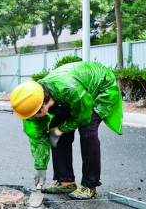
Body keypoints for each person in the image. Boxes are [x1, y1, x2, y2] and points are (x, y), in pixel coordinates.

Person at [9, 61, 123, 200]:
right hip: (72, 94)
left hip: (101, 87)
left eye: (34, 115)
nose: (32, 119)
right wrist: (40, 167)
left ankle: (89, 185)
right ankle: (66, 181)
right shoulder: (32, 103)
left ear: (43, 106)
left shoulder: (71, 90)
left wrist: (60, 130)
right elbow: (37, 138)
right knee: (55, 129)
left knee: (87, 130)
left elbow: (83, 116)